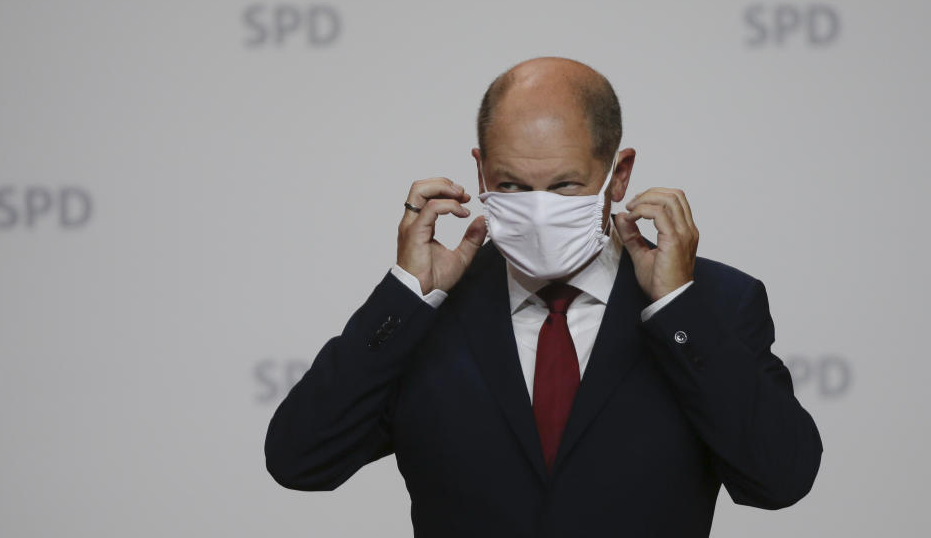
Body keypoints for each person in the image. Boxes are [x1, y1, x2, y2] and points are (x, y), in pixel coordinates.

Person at [264, 56, 823, 537]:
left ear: (619, 174)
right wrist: (406, 297)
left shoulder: (717, 304)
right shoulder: (426, 315)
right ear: (480, 169)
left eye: (564, 186)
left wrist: (677, 311)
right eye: (510, 186)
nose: (537, 210)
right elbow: (299, 460)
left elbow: (780, 479)